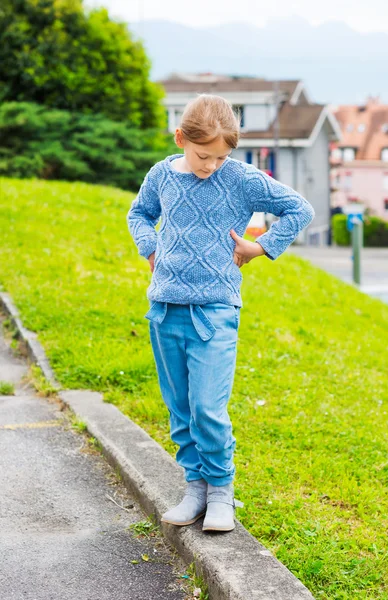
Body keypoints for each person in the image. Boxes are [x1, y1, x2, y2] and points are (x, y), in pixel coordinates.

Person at [126, 94, 315, 533]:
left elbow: (298, 209)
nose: (211, 165)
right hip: (165, 307)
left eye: (221, 156)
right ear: (181, 138)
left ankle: (220, 493)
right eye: (203, 155)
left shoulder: (241, 178)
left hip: (215, 309)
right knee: (181, 406)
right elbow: (139, 213)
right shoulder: (162, 175)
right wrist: (149, 245)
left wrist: (261, 246)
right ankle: (194, 488)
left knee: (208, 407)